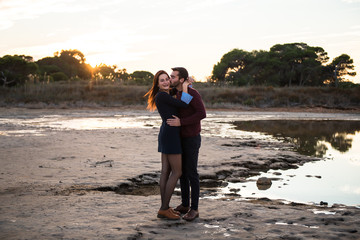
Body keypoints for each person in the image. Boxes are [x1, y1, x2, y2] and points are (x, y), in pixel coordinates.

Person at [144, 70, 192, 220]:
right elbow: (185, 103)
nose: (165, 82)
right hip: (170, 135)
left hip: (166, 132)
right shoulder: (162, 95)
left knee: (165, 171)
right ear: (157, 84)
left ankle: (164, 207)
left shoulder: (165, 94)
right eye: (162, 80)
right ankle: (164, 208)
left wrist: (182, 84)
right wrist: (185, 85)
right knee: (177, 172)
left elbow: (176, 93)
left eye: (167, 79)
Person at [167, 67, 206, 221]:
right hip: (179, 138)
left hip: (191, 138)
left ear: (181, 79)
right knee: (181, 172)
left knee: (192, 173)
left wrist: (181, 122)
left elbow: (202, 114)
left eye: (173, 77)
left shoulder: (193, 93)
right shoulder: (177, 93)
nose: (170, 79)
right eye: (170, 76)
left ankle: (194, 209)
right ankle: (184, 204)